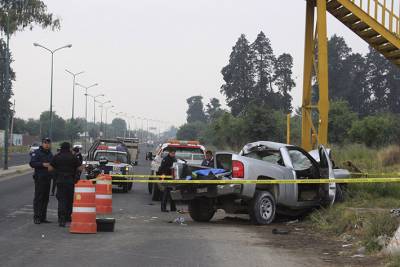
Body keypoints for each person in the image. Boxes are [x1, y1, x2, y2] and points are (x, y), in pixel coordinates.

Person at [49, 142, 83, 227]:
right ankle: (68, 216)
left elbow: (50, 168)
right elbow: (80, 167)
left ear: (61, 148)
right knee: (69, 199)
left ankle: (61, 219)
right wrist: (75, 174)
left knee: (62, 200)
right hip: (70, 181)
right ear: (69, 148)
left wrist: (56, 174)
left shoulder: (57, 157)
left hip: (60, 181)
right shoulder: (73, 157)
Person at [29, 137, 53, 224]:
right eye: (45, 143)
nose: (47, 144)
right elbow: (32, 163)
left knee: (45, 198)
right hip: (39, 178)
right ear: (42, 143)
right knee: (39, 198)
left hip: (48, 178)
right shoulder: (37, 152)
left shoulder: (50, 153)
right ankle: (37, 217)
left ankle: (43, 217)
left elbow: (53, 163)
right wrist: (42, 164)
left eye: (48, 143)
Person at [158, 148, 177, 212]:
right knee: (166, 193)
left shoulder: (174, 159)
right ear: (169, 153)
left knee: (172, 193)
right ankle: (163, 208)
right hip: (166, 177)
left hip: (172, 178)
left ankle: (173, 208)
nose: (173, 154)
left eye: (174, 153)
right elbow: (162, 168)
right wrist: (170, 168)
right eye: (172, 153)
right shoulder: (166, 159)